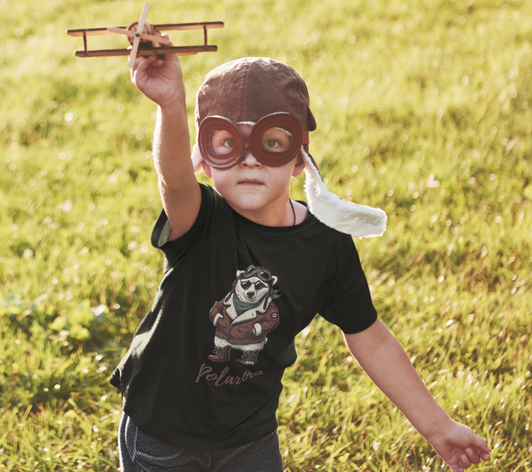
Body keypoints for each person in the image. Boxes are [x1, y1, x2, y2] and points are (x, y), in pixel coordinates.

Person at [110, 40, 491, 472]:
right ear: (205, 159)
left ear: (298, 158)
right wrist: (169, 103)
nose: (250, 159)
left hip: (248, 435)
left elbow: (370, 336)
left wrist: (437, 426)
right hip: (163, 432)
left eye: (271, 141)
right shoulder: (200, 220)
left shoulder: (325, 243)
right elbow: (174, 180)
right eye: (229, 142)